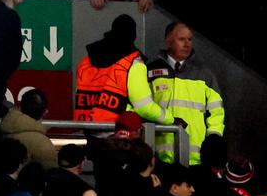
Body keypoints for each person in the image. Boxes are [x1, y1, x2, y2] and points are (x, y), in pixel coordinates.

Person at [146, 22, 224, 165]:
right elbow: (142, 108)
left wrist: (213, 138)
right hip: (158, 157)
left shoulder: (205, 73)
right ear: (168, 41)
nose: (187, 44)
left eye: (190, 39)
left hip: (196, 158)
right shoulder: (150, 71)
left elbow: (217, 112)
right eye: (182, 39)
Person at [74, 15, 173, 126]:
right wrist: (170, 119)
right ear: (134, 35)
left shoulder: (86, 61)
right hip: (119, 131)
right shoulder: (134, 63)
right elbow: (144, 107)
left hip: (87, 129)